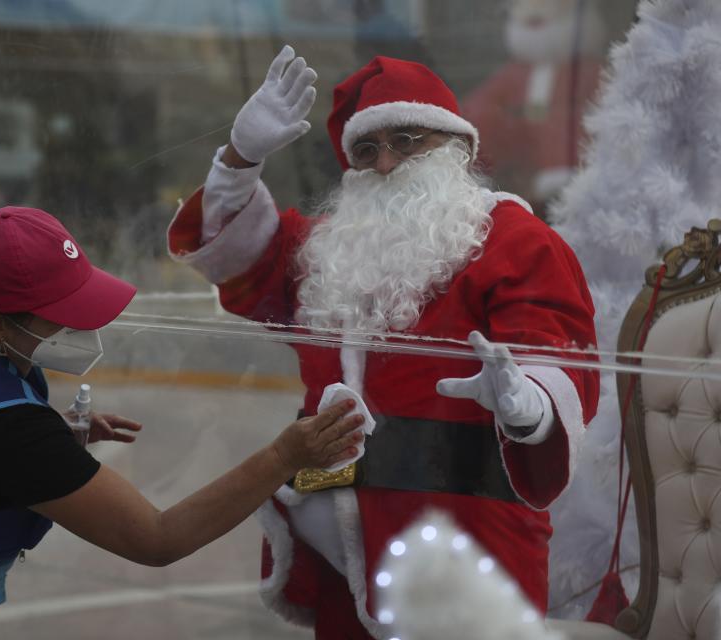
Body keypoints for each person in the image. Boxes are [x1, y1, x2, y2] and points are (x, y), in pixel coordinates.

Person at [0, 206, 365, 639]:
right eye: (65, 316)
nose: (85, 329)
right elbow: (157, 539)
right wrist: (283, 457)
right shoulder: (7, 434)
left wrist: (51, 438)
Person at [167, 47, 600, 639]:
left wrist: (529, 407)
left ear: (457, 149)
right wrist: (240, 160)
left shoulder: (519, 243)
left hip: (464, 556)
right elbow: (234, 256)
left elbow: (556, 357)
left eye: (407, 140)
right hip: (341, 558)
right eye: (366, 150)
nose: (387, 162)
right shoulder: (329, 249)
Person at [462, 0, 608, 214]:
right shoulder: (512, 75)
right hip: (521, 180)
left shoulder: (588, 72)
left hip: (577, 180)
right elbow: (479, 110)